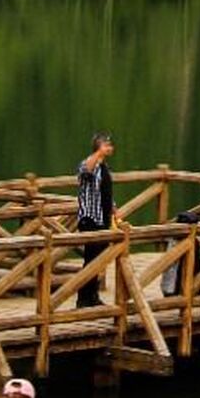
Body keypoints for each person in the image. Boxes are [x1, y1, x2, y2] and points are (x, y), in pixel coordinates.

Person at [76, 130, 115, 308]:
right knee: (90, 260)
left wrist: (114, 208)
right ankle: (83, 298)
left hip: (102, 219)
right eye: (107, 145)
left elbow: (104, 191)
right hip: (90, 219)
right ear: (99, 147)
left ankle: (93, 295)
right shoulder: (89, 164)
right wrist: (98, 153)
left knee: (98, 260)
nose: (110, 148)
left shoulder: (104, 168)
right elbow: (85, 170)